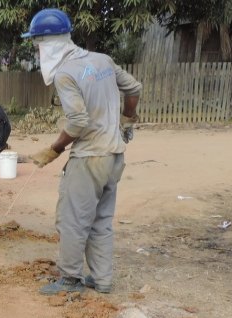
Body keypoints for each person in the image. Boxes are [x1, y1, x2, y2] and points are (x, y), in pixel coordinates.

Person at [24, 8, 142, 295]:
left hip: (89, 158)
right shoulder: (103, 60)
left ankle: (70, 279)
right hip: (114, 156)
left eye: (37, 46)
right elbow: (134, 89)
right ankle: (102, 279)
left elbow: (78, 121)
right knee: (101, 220)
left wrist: (54, 149)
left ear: (47, 43)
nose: (37, 53)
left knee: (72, 220)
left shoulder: (65, 74)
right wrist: (127, 119)